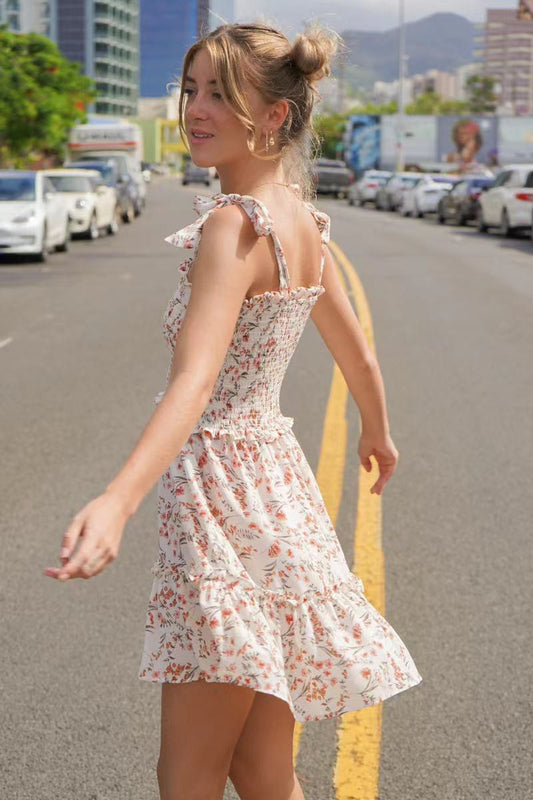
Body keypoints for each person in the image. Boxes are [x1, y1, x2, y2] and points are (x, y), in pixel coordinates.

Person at [44, 20, 423, 800]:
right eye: (191, 90)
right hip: (278, 495)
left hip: (221, 502)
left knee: (186, 776)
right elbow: (360, 356)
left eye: (220, 92)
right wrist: (377, 431)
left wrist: (116, 502)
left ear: (274, 117)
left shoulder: (232, 224)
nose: (195, 109)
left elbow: (194, 382)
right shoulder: (304, 224)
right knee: (260, 770)